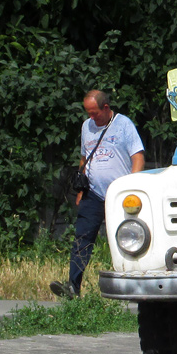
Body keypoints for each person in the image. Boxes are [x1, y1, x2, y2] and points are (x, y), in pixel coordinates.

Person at [50, 90, 144, 299]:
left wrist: (131, 186)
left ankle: (132, 287)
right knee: (82, 238)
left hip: (119, 195)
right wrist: (81, 189)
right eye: (88, 113)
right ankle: (72, 287)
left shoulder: (123, 124)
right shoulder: (86, 126)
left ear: (106, 108)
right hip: (92, 193)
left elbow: (138, 157)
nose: (91, 118)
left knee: (126, 239)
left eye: (95, 113)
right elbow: (84, 159)